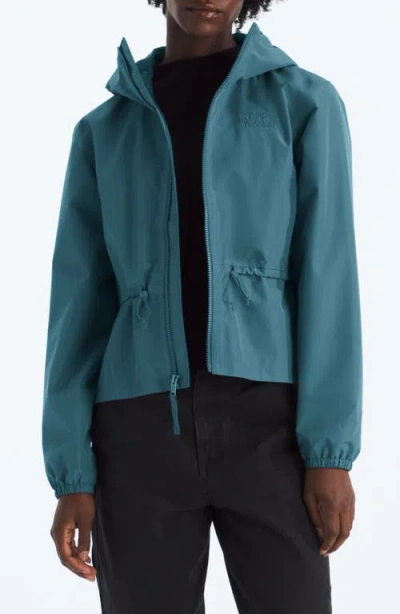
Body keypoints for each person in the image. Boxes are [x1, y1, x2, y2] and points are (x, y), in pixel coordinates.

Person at [42, 1, 363, 612]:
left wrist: (329, 453)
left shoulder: (305, 104)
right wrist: (72, 475)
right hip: (136, 432)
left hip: (270, 426)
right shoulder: (103, 130)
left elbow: (328, 277)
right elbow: (77, 307)